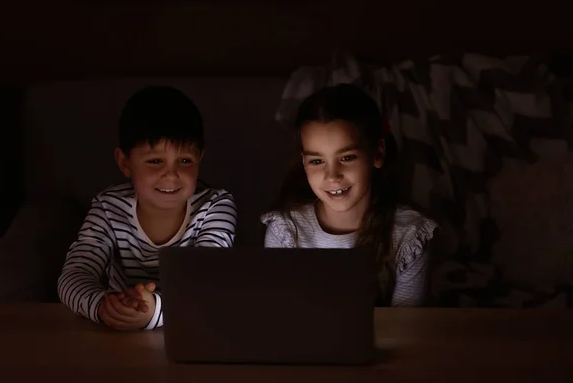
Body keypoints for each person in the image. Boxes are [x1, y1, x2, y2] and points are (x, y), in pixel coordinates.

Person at [58, 86, 237, 330]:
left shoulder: (215, 207)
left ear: (200, 159)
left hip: (193, 331)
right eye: (155, 161)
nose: (172, 174)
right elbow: (74, 275)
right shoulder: (109, 207)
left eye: (185, 161)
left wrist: (154, 311)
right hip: (118, 338)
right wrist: (103, 306)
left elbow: (207, 285)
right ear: (124, 162)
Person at [261, 84, 438, 306]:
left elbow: (405, 331)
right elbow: (281, 317)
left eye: (347, 158)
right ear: (304, 163)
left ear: (378, 153)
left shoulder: (410, 236)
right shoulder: (286, 230)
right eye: (317, 161)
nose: (332, 176)